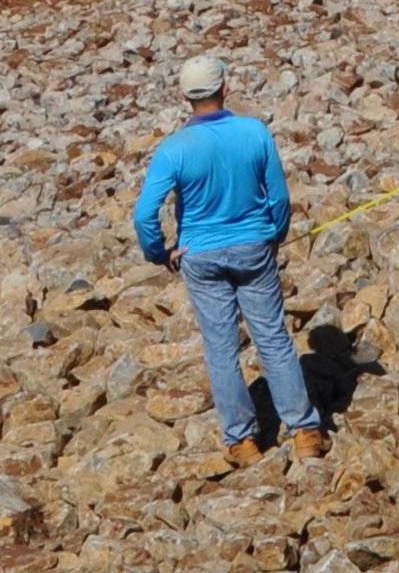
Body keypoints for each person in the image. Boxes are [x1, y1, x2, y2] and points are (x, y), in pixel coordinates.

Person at [132, 53, 323, 464]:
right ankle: (305, 430)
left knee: (221, 348)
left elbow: (145, 212)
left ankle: (242, 440)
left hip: (200, 255)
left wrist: (159, 253)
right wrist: (274, 237)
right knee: (272, 337)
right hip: (254, 247)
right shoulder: (254, 132)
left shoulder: (175, 147)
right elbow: (280, 198)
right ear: (226, 87)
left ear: (184, 95)